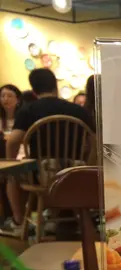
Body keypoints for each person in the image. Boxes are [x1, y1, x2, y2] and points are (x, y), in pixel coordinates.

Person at [5, 68, 95, 229]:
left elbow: (12, 141)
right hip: (75, 171)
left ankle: (19, 222)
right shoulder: (78, 110)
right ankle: (64, 216)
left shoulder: (28, 110)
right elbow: (95, 141)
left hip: (43, 173)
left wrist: (12, 162)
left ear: (34, 91)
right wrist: (87, 164)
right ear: (55, 86)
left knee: (12, 175)